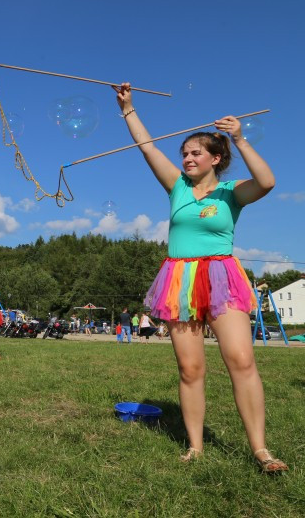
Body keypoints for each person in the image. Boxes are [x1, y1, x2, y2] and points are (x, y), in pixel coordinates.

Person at [115, 82, 287, 472]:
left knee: (241, 359)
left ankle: (260, 450)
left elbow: (268, 181)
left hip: (221, 275)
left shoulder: (231, 192)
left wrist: (240, 137)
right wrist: (128, 108)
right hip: (179, 279)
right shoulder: (177, 187)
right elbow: (148, 147)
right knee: (190, 368)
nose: (188, 158)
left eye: (196, 153)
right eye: (185, 153)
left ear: (215, 158)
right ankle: (195, 446)